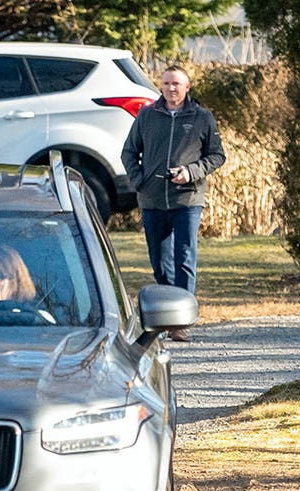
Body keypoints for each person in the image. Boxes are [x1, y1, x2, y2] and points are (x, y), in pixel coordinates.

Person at [121, 64, 225, 342]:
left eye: (176, 84)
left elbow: (217, 156)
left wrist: (190, 172)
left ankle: (180, 322)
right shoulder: (147, 115)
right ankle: (167, 313)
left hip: (187, 198)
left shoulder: (202, 117)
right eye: (166, 84)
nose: (171, 88)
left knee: (185, 256)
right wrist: (139, 180)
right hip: (152, 198)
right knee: (160, 261)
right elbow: (129, 152)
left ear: (187, 87)